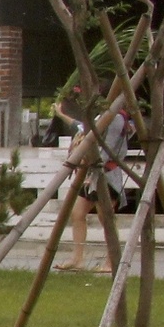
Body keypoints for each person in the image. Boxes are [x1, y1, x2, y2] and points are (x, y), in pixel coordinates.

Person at [61, 106, 134, 272]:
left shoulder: (117, 118)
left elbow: (108, 147)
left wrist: (93, 162)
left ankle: (111, 262)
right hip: (92, 172)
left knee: (105, 217)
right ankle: (77, 259)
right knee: (77, 213)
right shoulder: (104, 115)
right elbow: (85, 129)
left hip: (107, 173)